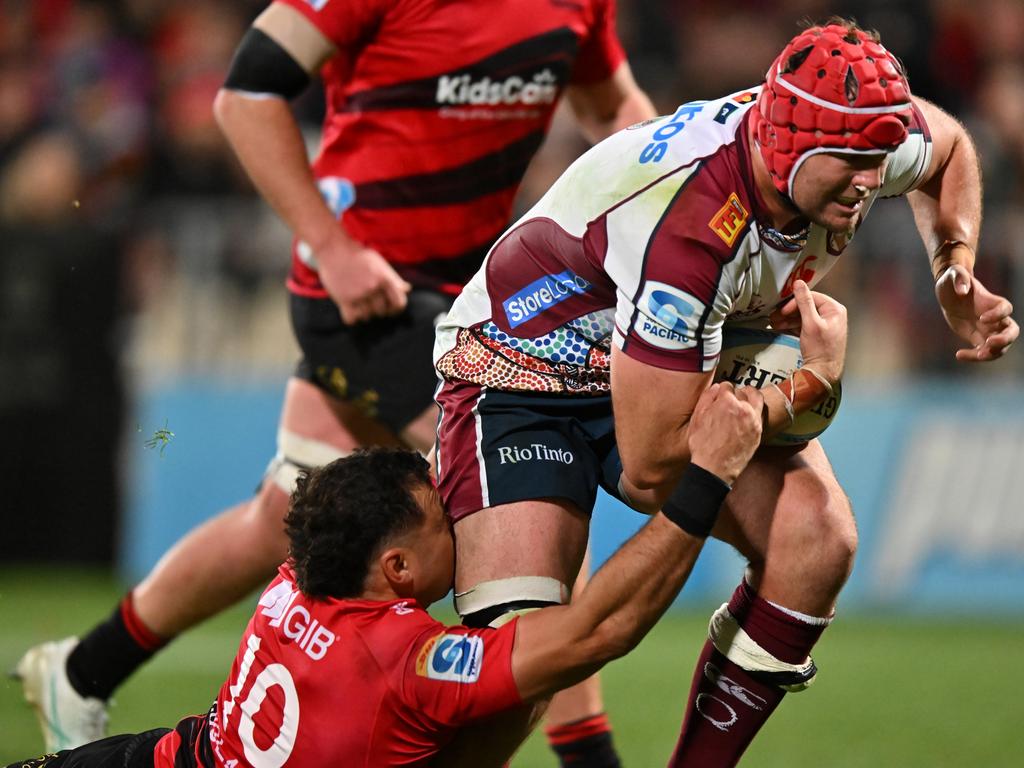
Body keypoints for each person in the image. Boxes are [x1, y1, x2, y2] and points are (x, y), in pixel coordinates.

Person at [15, 0, 656, 761]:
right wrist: (330, 245)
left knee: (280, 512)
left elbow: (616, 108)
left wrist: (663, 196)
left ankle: (83, 671)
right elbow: (244, 96)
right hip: (364, 295)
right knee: (529, 492)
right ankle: (591, 755)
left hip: (474, 295)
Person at [431, 17, 1019, 767]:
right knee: (515, 675)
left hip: (663, 360)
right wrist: (804, 385)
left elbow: (950, 148)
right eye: (853, 163)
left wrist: (952, 265)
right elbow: (650, 470)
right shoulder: (691, 230)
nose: (874, 181)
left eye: (881, 158)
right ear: (788, 147)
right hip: (522, 372)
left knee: (816, 538)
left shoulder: (845, 140)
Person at [8, 384, 763, 768]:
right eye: (447, 517)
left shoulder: (294, 576)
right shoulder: (408, 662)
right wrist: (706, 478)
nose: (464, 518)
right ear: (396, 567)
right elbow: (595, 630)